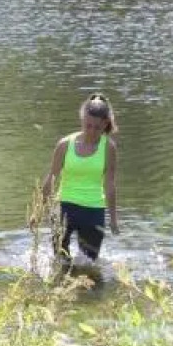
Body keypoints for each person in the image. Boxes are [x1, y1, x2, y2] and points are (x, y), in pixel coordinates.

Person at [42, 93, 121, 268]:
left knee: (89, 268)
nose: (92, 131)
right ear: (82, 120)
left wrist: (114, 218)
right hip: (64, 207)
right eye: (88, 126)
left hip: (93, 211)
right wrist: (39, 210)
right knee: (60, 263)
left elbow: (110, 185)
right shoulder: (64, 144)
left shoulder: (109, 148)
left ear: (105, 125)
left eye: (97, 127)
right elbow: (51, 178)